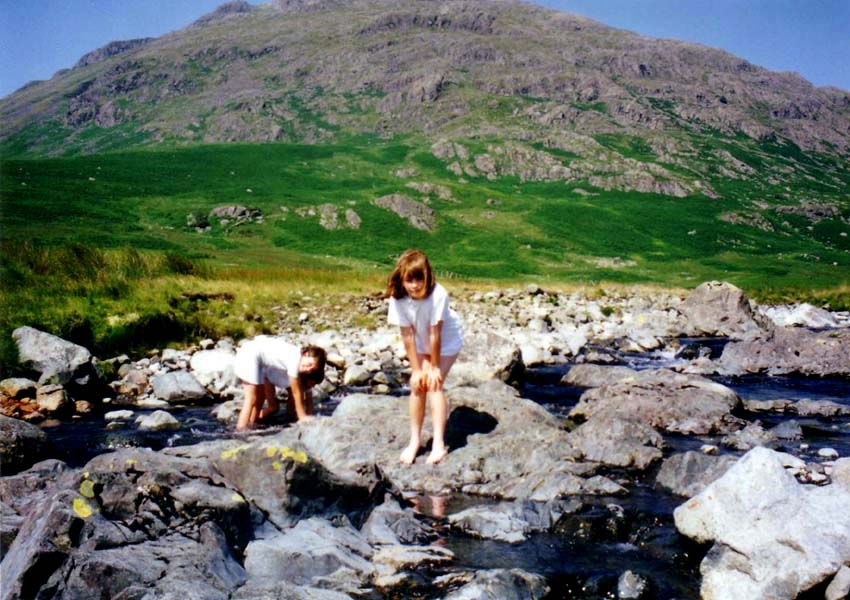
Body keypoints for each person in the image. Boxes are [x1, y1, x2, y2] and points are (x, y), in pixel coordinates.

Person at [386, 249, 463, 464]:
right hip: (420, 338)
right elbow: (407, 334)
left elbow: (435, 332)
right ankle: (415, 441)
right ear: (402, 279)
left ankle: (438, 444)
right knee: (418, 384)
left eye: (418, 279)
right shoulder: (398, 297)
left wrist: (435, 366)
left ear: (427, 276)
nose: (414, 285)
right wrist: (416, 370)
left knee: (433, 384)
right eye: (409, 280)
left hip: (446, 339)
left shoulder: (438, 294)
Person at [234, 336, 327, 431]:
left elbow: (305, 394)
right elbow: (296, 392)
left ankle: (251, 424)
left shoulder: (299, 361)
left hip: (261, 363)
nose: (307, 369)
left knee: (260, 398)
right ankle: (241, 430)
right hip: (249, 354)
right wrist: (302, 416)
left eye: (311, 370)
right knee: (251, 398)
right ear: (306, 354)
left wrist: (308, 414)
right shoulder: (295, 359)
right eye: (310, 364)